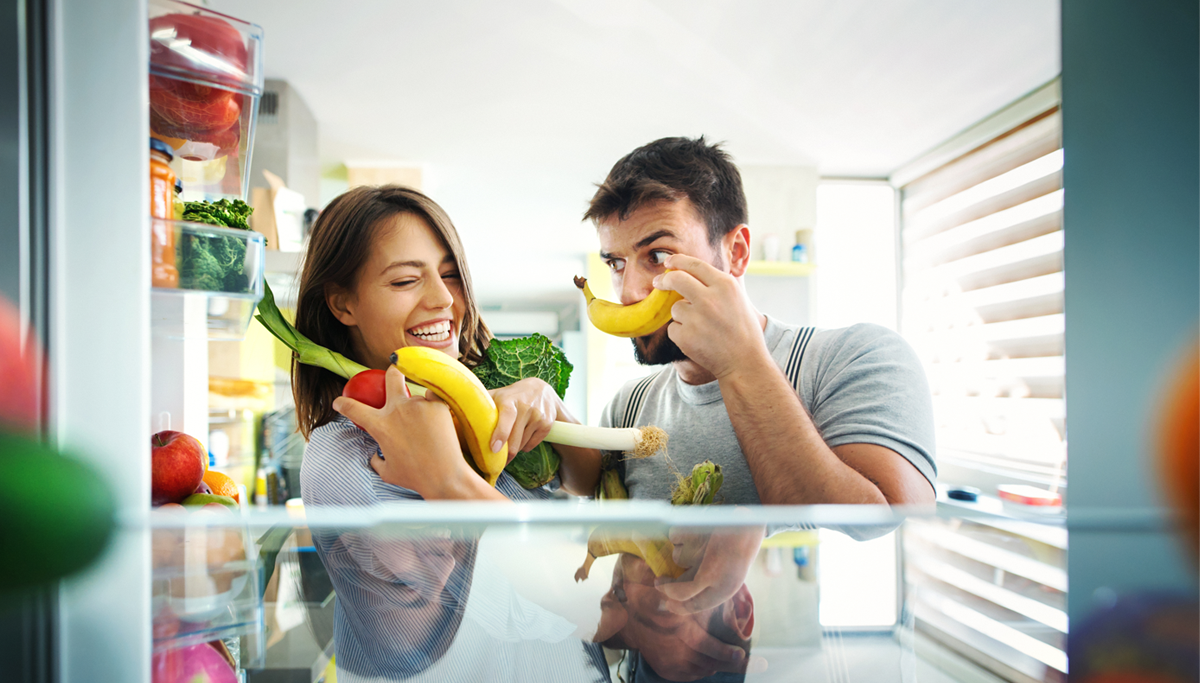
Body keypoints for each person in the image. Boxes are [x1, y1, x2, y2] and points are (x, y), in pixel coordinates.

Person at [581, 138, 937, 659]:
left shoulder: (857, 358)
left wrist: (740, 360)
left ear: (737, 253)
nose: (630, 290)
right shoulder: (628, 409)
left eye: (657, 255)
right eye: (615, 262)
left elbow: (882, 519)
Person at [293, 185, 605, 681]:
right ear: (342, 304)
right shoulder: (341, 456)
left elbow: (587, 485)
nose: (443, 300)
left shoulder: (476, 405)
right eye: (403, 282)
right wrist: (449, 480)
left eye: (450, 274)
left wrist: (553, 410)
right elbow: (576, 603)